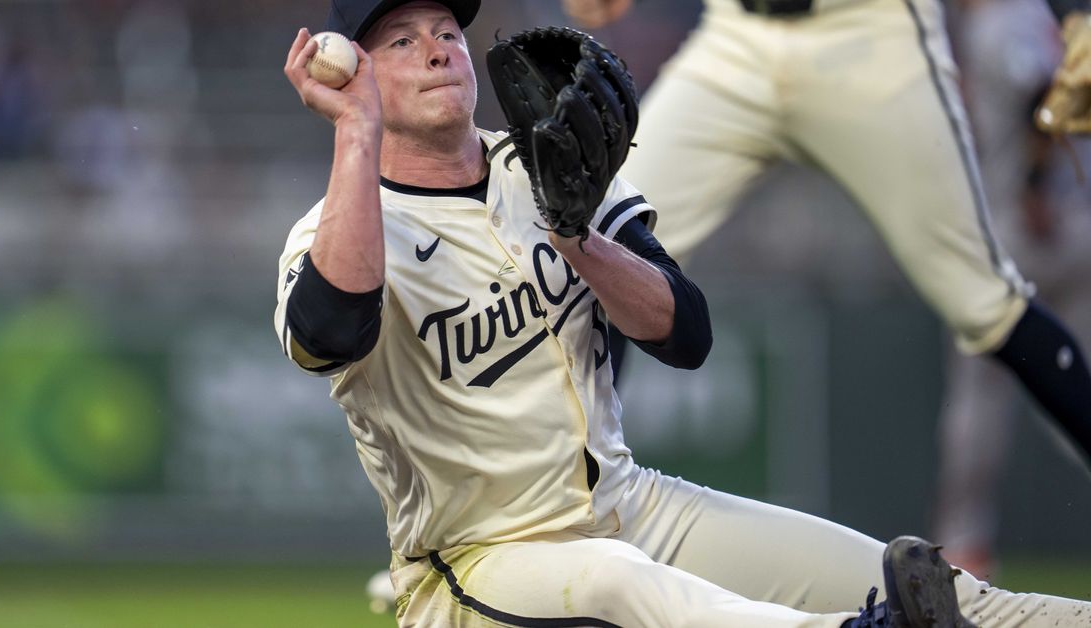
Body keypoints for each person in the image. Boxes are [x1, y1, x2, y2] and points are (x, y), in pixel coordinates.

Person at [276, 0, 1091, 624]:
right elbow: (331, 330)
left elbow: (686, 334)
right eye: (401, 41)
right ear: (358, 73)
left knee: (933, 589)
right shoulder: (332, 231)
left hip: (630, 505)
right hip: (481, 561)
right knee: (625, 583)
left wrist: (578, 238)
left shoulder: (540, 165)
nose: (437, 48)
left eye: (447, 31)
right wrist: (356, 133)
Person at [560, 0, 1091, 471]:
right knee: (600, 245)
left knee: (984, 303)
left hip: (871, 34)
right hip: (737, 37)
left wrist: (1074, 13)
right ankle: (577, 507)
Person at [930, 0, 1091, 581]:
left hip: (1024, 230)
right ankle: (964, 542)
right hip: (1070, 226)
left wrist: (1034, 185)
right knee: (1076, 388)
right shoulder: (1036, 17)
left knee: (979, 399)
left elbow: (1039, 94)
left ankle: (964, 545)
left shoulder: (1004, 20)